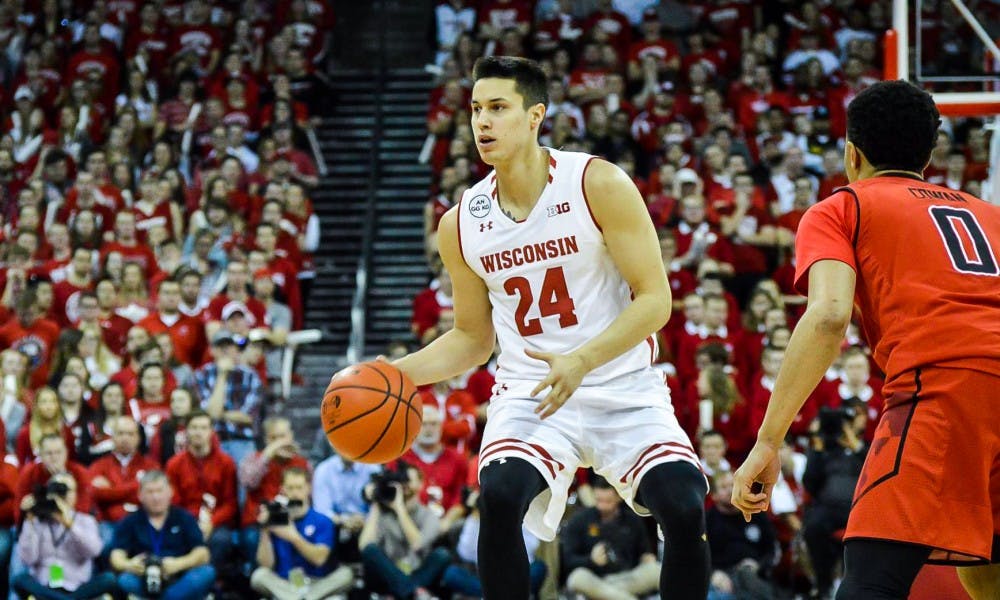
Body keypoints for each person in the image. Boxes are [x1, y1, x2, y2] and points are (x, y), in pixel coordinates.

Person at [391, 56, 709, 599]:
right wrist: (389, 374)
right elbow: (473, 337)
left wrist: (582, 359)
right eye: (475, 110)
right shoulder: (461, 222)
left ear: (535, 115)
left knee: (682, 505)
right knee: (498, 493)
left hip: (622, 387)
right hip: (532, 394)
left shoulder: (597, 182)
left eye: (498, 108)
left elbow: (656, 301)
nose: (482, 123)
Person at [732, 80, 1000, 600]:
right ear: (929, 152)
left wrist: (768, 441)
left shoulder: (842, 207)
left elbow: (830, 316)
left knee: (869, 580)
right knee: (986, 568)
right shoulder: (990, 215)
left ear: (851, 154)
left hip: (943, 387)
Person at [250, 467, 354, 600]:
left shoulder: (322, 521)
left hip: (317, 583)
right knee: (259, 575)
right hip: (285, 583)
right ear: (283, 490)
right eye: (290, 488)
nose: (295, 493)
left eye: (299, 487)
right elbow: (266, 565)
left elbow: (319, 559)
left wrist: (293, 537)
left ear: (308, 489)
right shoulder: (275, 520)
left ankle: (304, 597)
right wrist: (265, 530)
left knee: (346, 574)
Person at [109, 470, 215, 600]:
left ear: (170, 492)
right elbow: (116, 556)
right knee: (124, 580)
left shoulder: (184, 517)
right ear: (140, 495)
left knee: (207, 572)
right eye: (150, 492)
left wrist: (178, 564)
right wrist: (130, 564)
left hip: (178, 576)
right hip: (144, 577)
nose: (155, 497)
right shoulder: (130, 521)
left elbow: (203, 553)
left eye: (160, 491)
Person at [12, 472, 118, 600]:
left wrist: (69, 524)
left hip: (78, 587)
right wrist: (29, 521)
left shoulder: (85, 521)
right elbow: (28, 559)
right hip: (44, 586)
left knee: (109, 579)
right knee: (19, 579)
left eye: (65, 490)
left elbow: (94, 551)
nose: (61, 495)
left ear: (75, 495)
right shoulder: (37, 521)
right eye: (55, 489)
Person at [561, 477, 660, 600]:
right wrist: (591, 560)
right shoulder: (579, 520)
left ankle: (607, 596)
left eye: (608, 501)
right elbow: (568, 560)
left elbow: (645, 552)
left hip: (626, 578)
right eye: (598, 500)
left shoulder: (632, 520)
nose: (602, 506)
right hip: (593, 577)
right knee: (577, 578)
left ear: (619, 498)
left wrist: (646, 557)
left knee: (656, 569)